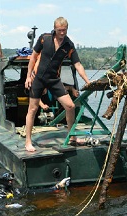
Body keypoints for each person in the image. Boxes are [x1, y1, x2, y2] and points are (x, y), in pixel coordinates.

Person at [25, 16, 90, 152]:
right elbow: (33, 56)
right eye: (60, 30)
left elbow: (77, 64)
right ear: (55, 29)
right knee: (33, 109)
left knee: (70, 106)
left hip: (53, 79)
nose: (62, 33)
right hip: (38, 78)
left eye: (64, 30)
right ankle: (28, 142)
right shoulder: (45, 38)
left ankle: (71, 136)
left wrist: (87, 81)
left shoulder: (69, 45)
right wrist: (28, 77)